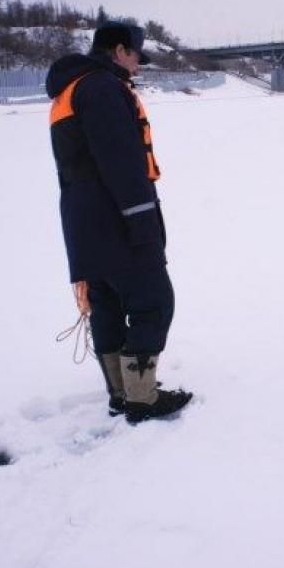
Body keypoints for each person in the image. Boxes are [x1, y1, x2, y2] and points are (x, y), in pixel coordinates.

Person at [46, 21, 192, 423]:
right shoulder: (102, 89)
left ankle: (121, 393)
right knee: (154, 302)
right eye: (135, 56)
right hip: (116, 218)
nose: (139, 66)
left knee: (107, 304)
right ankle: (141, 398)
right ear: (119, 49)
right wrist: (142, 222)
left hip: (82, 220)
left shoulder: (69, 90)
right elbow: (123, 164)